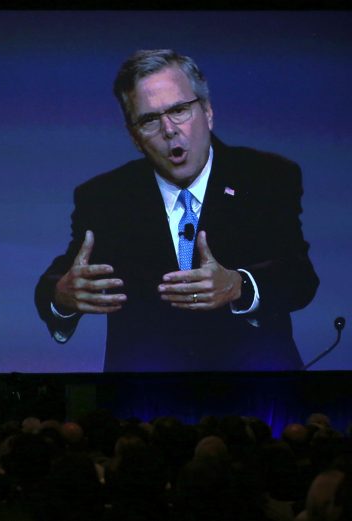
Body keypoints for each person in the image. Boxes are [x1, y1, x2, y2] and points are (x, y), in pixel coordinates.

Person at [35, 49, 318, 371]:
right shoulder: (105, 197)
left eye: (179, 110)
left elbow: (300, 277)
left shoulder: (266, 176)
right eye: (149, 120)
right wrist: (61, 296)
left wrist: (239, 286)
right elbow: (65, 274)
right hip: (146, 395)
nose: (169, 129)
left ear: (208, 112)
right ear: (134, 137)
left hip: (255, 385)